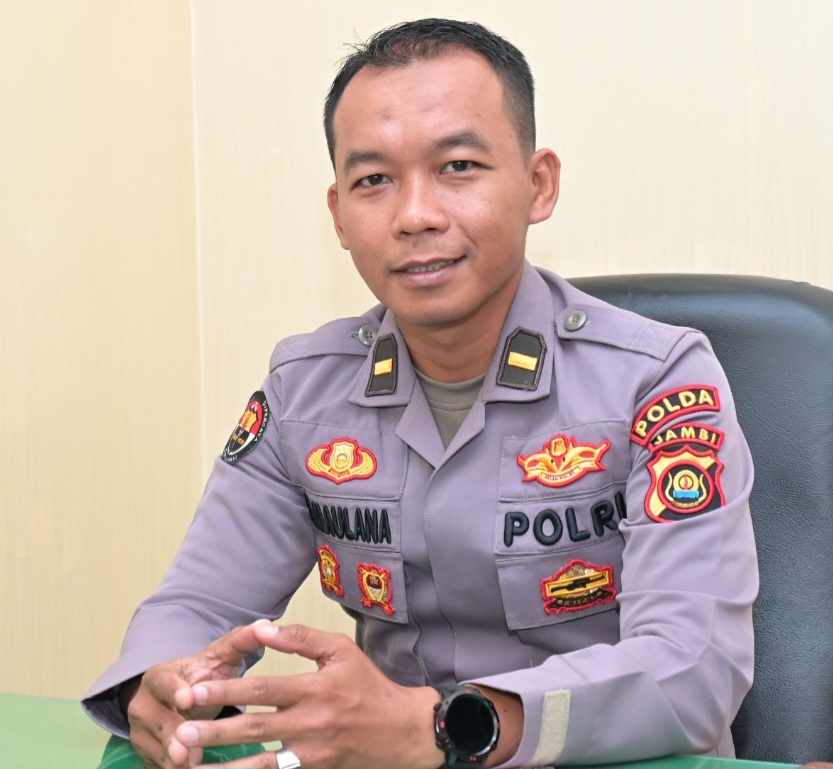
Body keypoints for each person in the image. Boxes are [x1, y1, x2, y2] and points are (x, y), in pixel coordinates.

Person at [83, 18, 758, 769]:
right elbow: (199, 604)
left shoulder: (658, 381)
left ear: (538, 185)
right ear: (339, 215)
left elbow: (691, 670)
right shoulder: (304, 393)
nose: (414, 216)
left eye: (458, 166)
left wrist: (444, 726)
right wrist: (164, 682)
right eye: (374, 180)